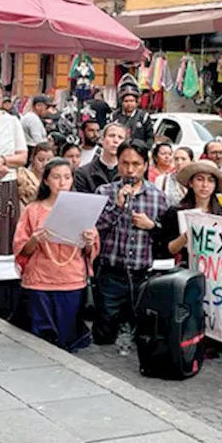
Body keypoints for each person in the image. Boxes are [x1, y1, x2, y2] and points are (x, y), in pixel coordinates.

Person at [14, 158, 100, 351]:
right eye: (56, 177)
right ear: (45, 180)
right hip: (40, 280)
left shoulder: (81, 209)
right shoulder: (33, 210)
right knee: (41, 340)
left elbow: (91, 250)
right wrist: (35, 239)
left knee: (67, 339)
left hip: (72, 280)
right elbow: (21, 248)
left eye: (67, 177)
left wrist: (89, 241)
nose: (62, 183)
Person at [93, 139, 168, 354]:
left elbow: (166, 237)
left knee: (141, 333)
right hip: (111, 274)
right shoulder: (104, 192)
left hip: (143, 276)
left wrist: (152, 226)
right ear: (118, 163)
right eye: (125, 163)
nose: (130, 170)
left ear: (145, 165)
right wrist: (117, 206)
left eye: (136, 164)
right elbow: (94, 228)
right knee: (104, 334)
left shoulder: (158, 197)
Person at [156, 159, 222, 267]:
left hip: (215, 270)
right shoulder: (176, 212)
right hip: (184, 270)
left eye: (210, 180)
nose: (205, 185)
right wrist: (186, 237)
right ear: (191, 183)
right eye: (200, 179)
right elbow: (168, 249)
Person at [0, 79, 27, 257]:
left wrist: (4, 160)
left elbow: (22, 156)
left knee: (5, 233)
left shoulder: (12, 121)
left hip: (6, 184)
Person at [75, 122, 125, 193]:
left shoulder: (129, 174)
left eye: (120, 137)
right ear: (102, 140)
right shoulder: (83, 174)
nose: (116, 141)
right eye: (111, 136)